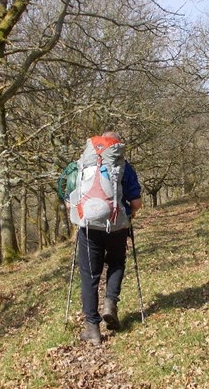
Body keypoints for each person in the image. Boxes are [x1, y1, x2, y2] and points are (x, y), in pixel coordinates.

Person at [65, 131, 142, 344]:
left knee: (90, 275)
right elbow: (136, 203)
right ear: (118, 146)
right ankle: (110, 303)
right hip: (117, 226)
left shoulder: (81, 165)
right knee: (117, 262)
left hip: (89, 228)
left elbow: (70, 202)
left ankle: (92, 328)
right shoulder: (124, 167)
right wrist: (128, 215)